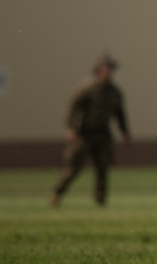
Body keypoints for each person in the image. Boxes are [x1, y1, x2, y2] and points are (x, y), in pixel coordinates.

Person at [50, 53, 131, 207]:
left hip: (103, 134)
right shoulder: (86, 88)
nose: (108, 72)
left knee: (103, 167)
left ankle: (100, 201)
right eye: (106, 68)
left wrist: (124, 132)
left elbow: (120, 114)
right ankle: (57, 193)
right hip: (84, 133)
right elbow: (73, 109)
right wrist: (71, 128)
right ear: (98, 69)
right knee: (73, 167)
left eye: (111, 69)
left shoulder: (114, 91)